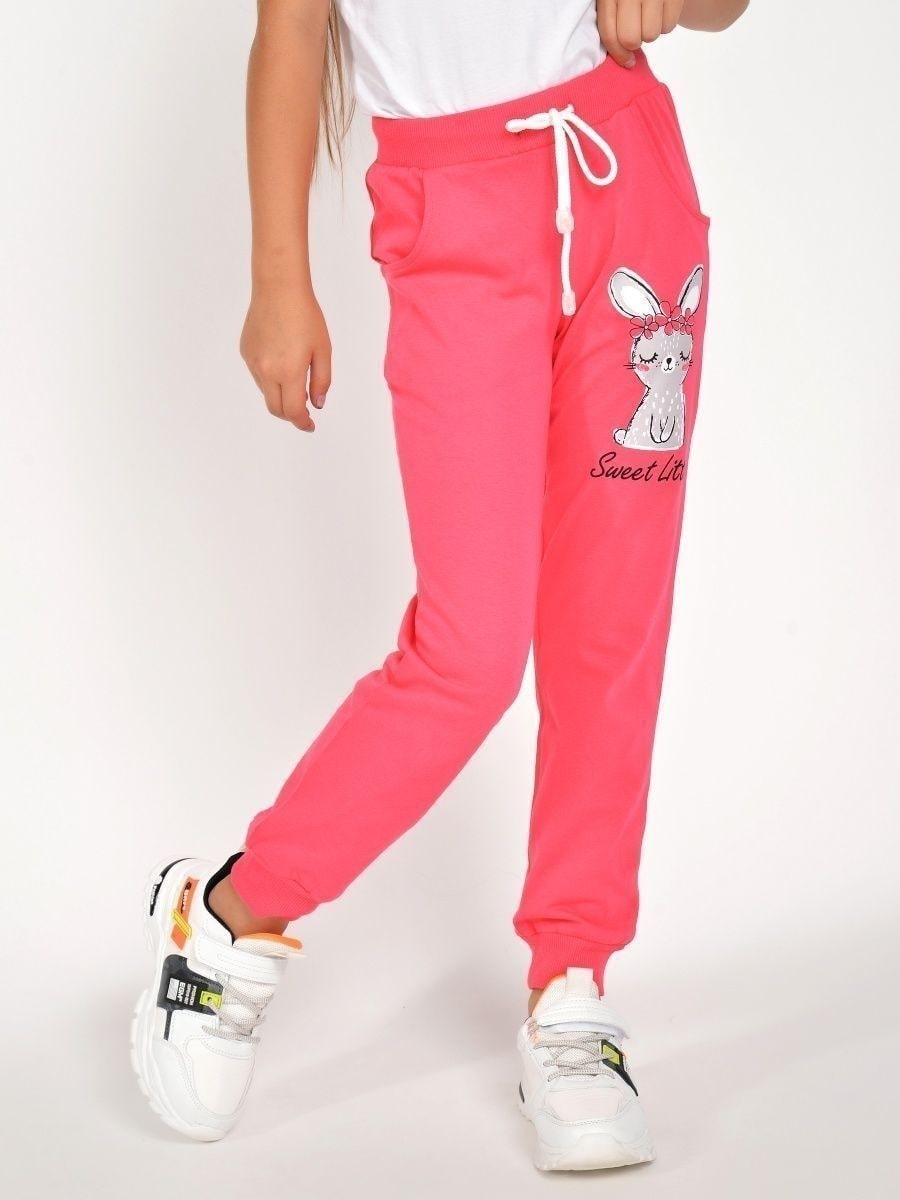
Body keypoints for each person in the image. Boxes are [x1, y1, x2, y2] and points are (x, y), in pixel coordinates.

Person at [130, 0, 750, 1170]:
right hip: (450, 208)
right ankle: (233, 913)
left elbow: (723, 10)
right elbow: (292, 32)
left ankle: (572, 989)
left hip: (630, 190)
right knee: (470, 652)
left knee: (610, 625)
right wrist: (278, 277)